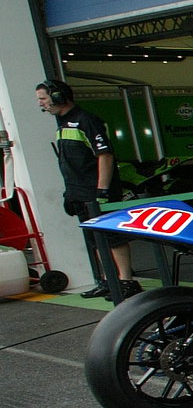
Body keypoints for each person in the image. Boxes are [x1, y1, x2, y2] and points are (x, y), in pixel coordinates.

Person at [35, 79, 140, 300]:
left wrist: (102, 190)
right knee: (95, 239)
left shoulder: (86, 120)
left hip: (96, 192)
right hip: (79, 192)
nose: (41, 104)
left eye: (43, 98)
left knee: (112, 237)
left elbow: (105, 155)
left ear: (58, 96)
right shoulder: (64, 123)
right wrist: (70, 193)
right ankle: (109, 280)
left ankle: (127, 281)